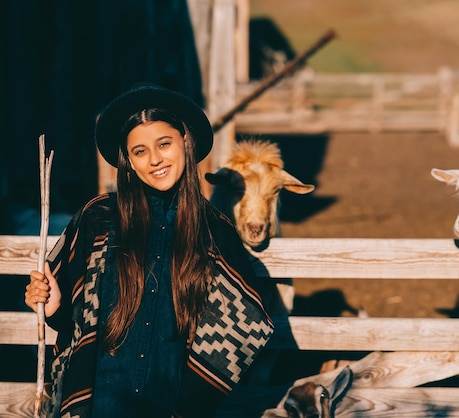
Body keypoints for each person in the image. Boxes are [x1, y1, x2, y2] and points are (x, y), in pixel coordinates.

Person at [25, 83, 275, 418]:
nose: (155, 159)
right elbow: (73, 316)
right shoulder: (97, 218)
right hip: (102, 404)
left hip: (172, 404)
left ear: (185, 143)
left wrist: (193, 402)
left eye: (164, 144)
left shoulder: (214, 230)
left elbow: (245, 324)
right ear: (128, 161)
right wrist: (53, 305)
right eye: (140, 151)